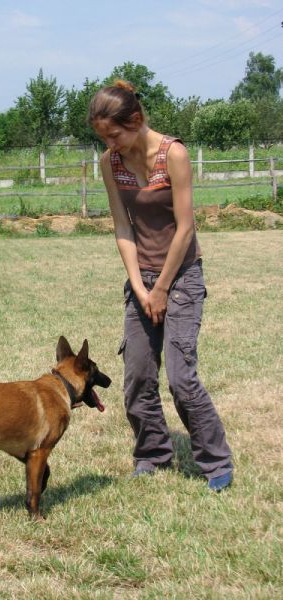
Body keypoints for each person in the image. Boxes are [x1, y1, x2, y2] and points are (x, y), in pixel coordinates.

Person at [89, 80, 233, 491]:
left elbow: (186, 228)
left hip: (181, 277)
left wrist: (163, 288)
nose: (110, 144)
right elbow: (122, 227)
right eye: (103, 137)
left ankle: (216, 461)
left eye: (115, 134)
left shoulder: (174, 154)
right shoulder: (110, 162)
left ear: (135, 120)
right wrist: (140, 288)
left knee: (181, 379)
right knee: (137, 375)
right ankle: (152, 453)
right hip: (143, 280)